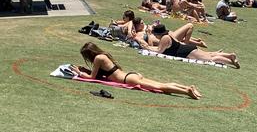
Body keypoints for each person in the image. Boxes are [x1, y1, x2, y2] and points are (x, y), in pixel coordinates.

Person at [72, 42, 202, 99]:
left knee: (160, 87)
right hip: (131, 75)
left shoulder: (97, 59)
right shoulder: (103, 55)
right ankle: (187, 87)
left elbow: (93, 77)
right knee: (160, 84)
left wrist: (80, 73)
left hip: (129, 79)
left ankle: (187, 91)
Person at [151, 24, 239, 68]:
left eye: (155, 34)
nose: (154, 36)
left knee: (210, 59)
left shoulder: (164, 38)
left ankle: (231, 62)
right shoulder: (169, 34)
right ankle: (229, 55)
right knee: (209, 55)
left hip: (187, 52)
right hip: (187, 49)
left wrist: (145, 47)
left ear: (158, 34)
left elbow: (159, 51)